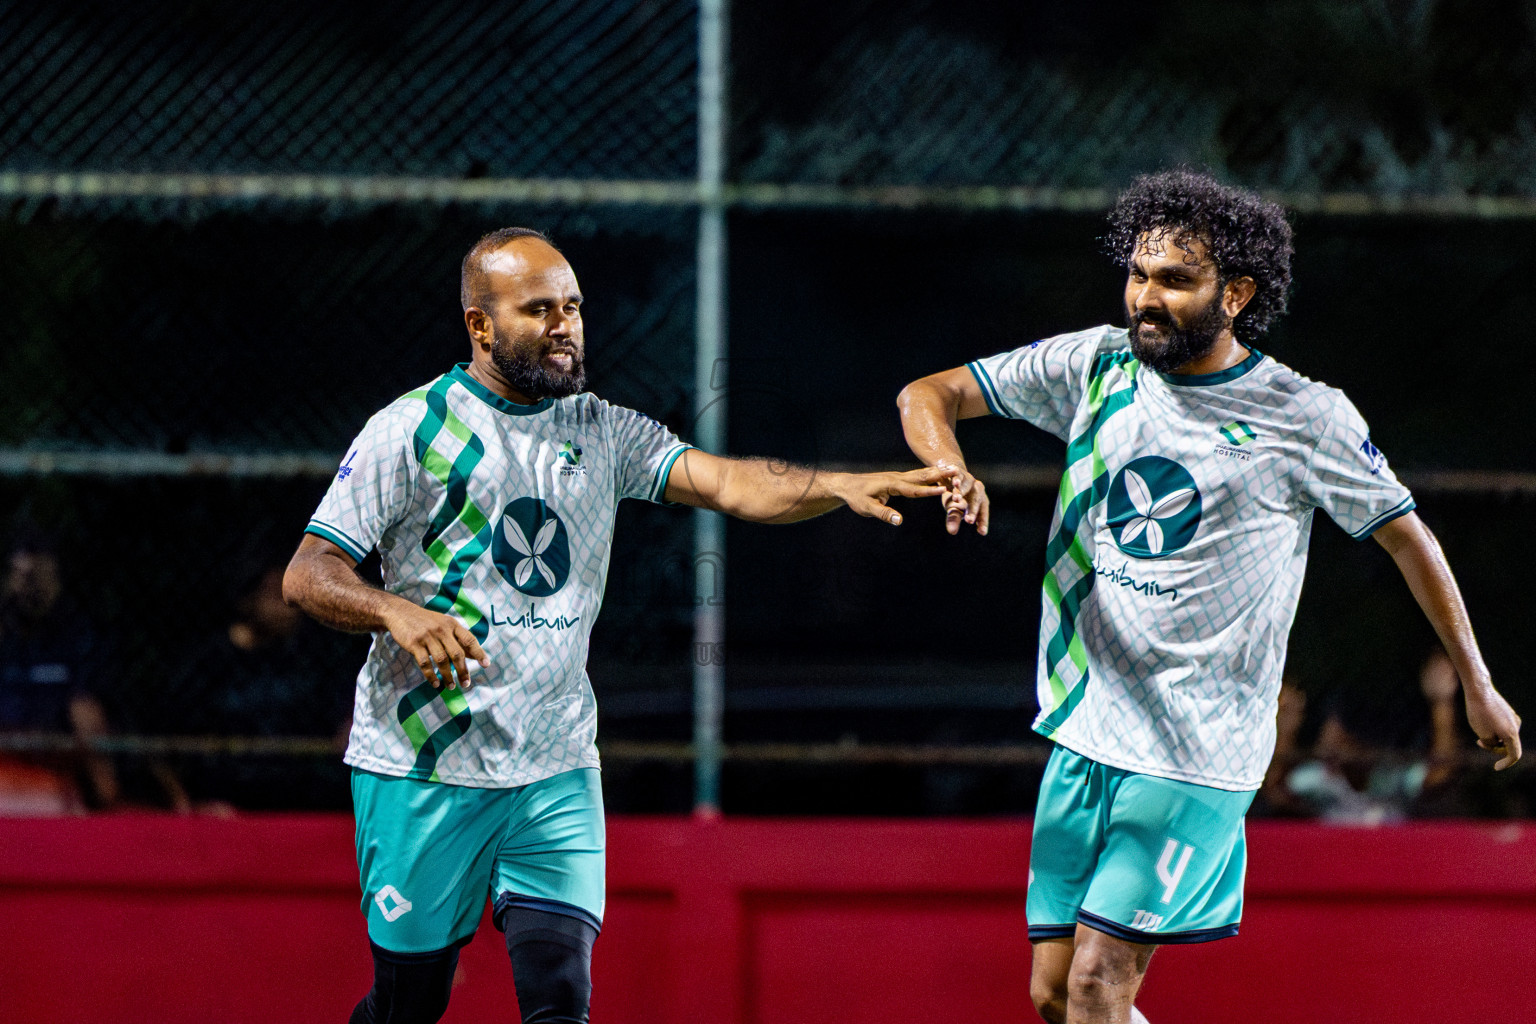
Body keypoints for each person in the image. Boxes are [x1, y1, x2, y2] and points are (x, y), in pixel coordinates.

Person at [896, 169, 1522, 1024]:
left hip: (1197, 751)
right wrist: (949, 465)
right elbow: (929, 393)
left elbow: (1410, 541)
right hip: (1084, 730)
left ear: (1237, 293)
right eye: (1139, 274)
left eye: (1175, 280)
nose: (1145, 299)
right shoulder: (1098, 365)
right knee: (1053, 996)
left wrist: (1478, 685)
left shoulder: (1304, 416)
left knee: (1095, 988)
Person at [282, 226, 946, 1024]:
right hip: (426, 763)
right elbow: (308, 574)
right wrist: (394, 610)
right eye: (538, 310)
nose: (565, 325)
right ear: (480, 326)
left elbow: (730, 484)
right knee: (408, 1008)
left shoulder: (602, 431)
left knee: (560, 995)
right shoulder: (412, 430)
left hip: (555, 762)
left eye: (573, 307)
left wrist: (834, 485)